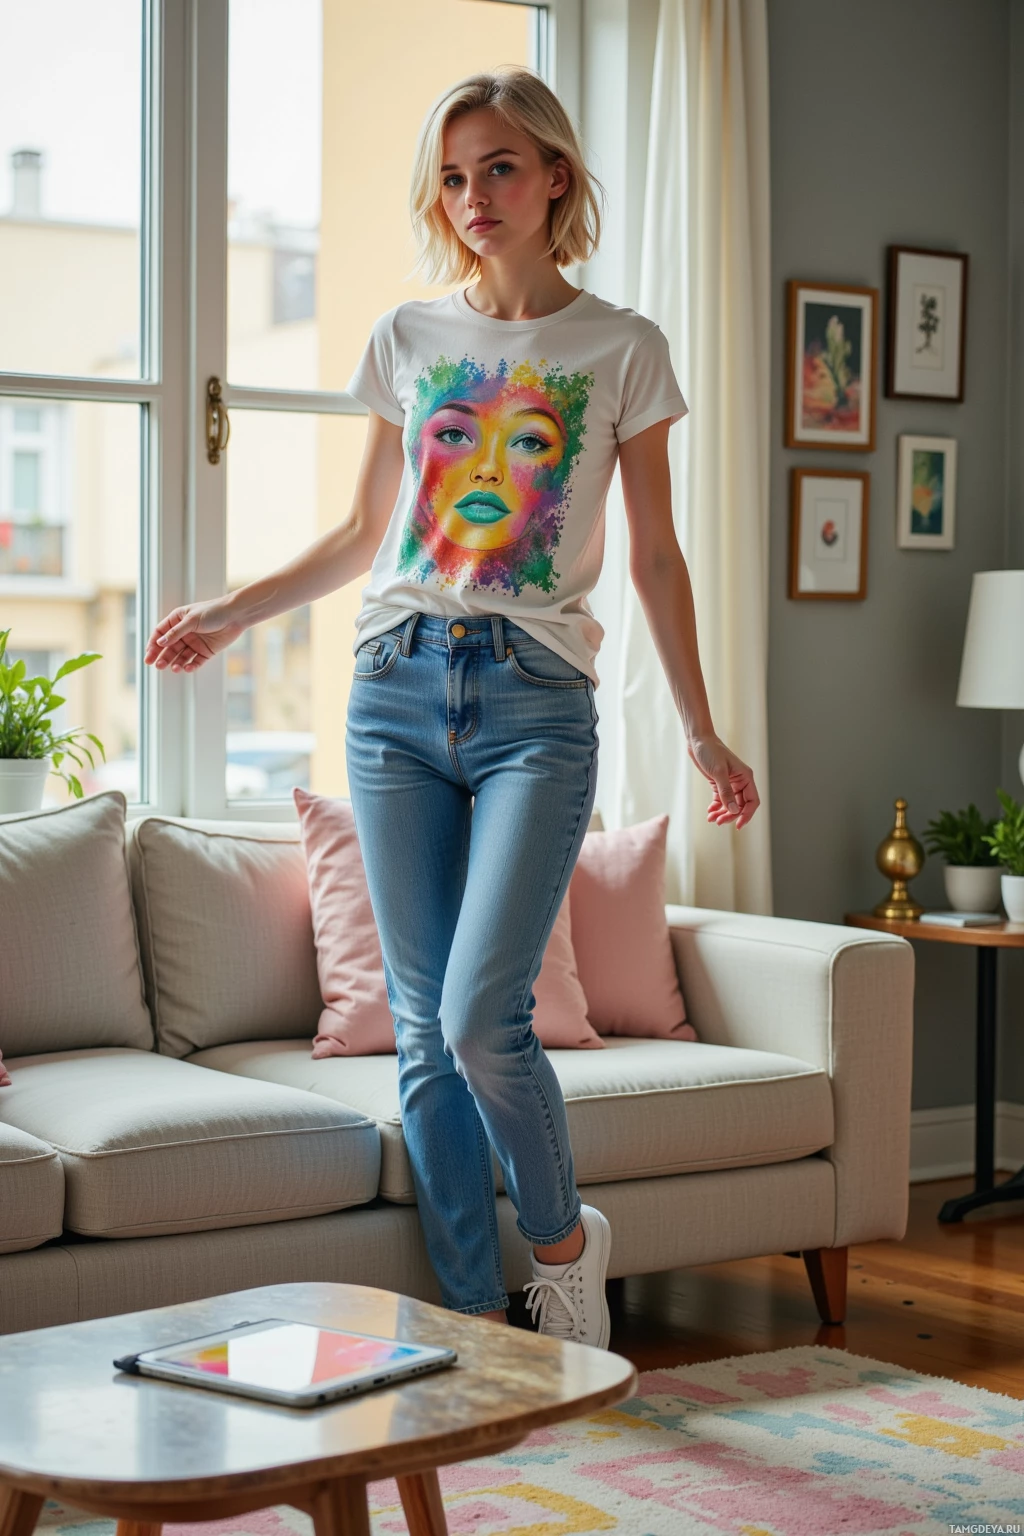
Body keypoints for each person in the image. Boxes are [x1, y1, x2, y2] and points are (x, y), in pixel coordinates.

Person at [145, 65, 760, 1350]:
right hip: (395, 686)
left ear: (555, 181)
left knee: (485, 1011)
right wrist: (229, 610)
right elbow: (364, 533)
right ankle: (482, 1321)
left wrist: (700, 726)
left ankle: (559, 1246)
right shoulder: (406, 339)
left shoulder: (622, 347)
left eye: (497, 167)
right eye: (452, 173)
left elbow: (654, 556)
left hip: (539, 699)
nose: (472, 194)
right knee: (423, 1036)